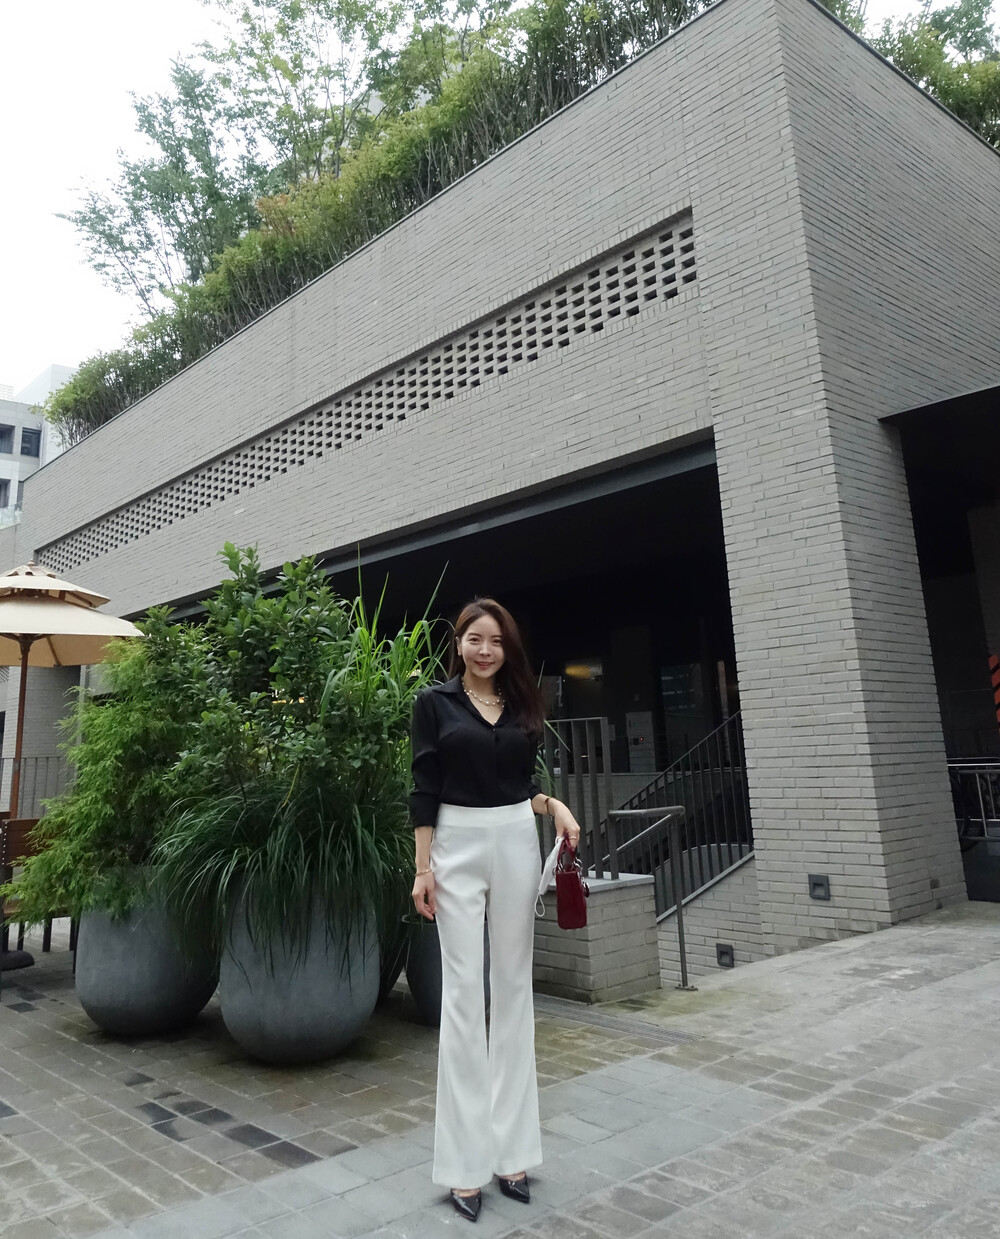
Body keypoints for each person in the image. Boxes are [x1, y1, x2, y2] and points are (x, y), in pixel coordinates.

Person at [410, 598, 582, 1222]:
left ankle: (513, 1155)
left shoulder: (521, 704)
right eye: (475, 639)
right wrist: (423, 869)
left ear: (508, 649)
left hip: (514, 839)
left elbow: (519, 784)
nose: (486, 650)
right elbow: (424, 787)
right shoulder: (434, 704)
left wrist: (553, 806)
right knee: (462, 995)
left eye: (497, 641)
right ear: (458, 643)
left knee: (513, 990)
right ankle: (463, 1167)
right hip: (454, 843)